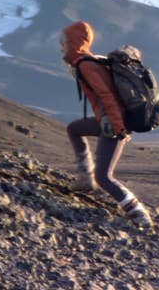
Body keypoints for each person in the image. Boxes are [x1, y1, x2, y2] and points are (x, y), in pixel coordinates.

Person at [59, 20, 152, 227]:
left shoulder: (86, 65)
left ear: (74, 42)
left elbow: (107, 96)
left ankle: (139, 213)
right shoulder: (90, 61)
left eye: (63, 41)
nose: (61, 46)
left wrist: (118, 127)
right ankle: (85, 177)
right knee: (74, 129)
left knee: (104, 177)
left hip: (114, 123)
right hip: (108, 121)